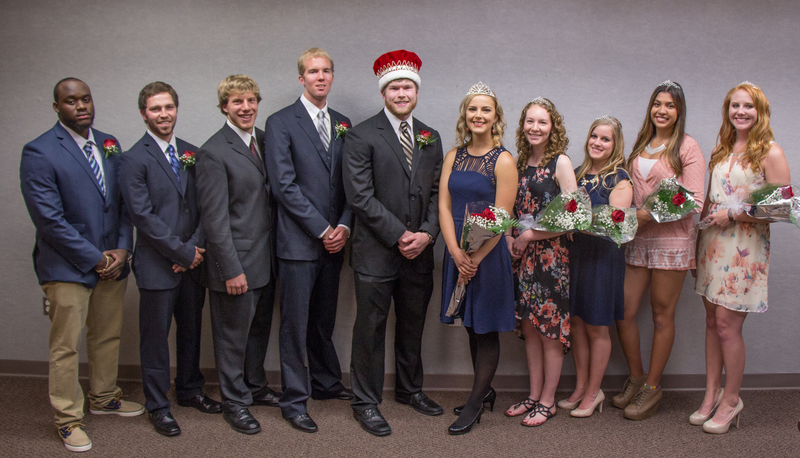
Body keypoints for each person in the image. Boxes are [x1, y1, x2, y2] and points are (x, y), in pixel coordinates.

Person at [20, 78, 144, 452]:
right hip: (67, 266)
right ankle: (67, 418)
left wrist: (123, 250)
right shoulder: (39, 151)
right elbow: (49, 220)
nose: (81, 106)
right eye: (71, 101)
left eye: (85, 99)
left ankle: (104, 397)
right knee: (66, 347)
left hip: (113, 263)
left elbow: (122, 205)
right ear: (57, 107)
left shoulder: (109, 144)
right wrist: (95, 258)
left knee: (106, 336)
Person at [343, 49, 444, 437]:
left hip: (420, 252)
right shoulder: (361, 134)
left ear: (416, 92)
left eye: (408, 87)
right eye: (395, 87)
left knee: (412, 324)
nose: (402, 93)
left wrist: (427, 234)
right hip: (377, 251)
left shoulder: (429, 136)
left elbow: (438, 193)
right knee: (369, 328)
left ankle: (409, 390)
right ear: (384, 92)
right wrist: (400, 234)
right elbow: (359, 196)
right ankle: (365, 401)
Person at [118, 81, 221, 437]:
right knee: (155, 338)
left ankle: (190, 389)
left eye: (169, 107)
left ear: (177, 109)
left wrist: (194, 250)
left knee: (192, 329)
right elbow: (142, 216)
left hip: (194, 262)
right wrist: (181, 252)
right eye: (155, 109)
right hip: (157, 265)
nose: (164, 114)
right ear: (144, 113)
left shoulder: (192, 152)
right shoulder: (132, 159)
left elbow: (207, 206)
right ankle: (158, 405)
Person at [263, 48, 353, 434]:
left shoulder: (343, 123)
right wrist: (322, 228)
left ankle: (326, 383)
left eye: (326, 71)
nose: (320, 77)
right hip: (299, 243)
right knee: (295, 326)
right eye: (313, 71)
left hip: (336, 241)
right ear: (301, 78)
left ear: (332, 77)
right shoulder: (280, 122)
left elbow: (352, 184)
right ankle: (294, 400)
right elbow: (283, 186)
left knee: (322, 321)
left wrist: (345, 227)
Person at [693, 82, 789, 434]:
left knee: (726, 325)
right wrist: (695, 246)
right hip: (712, 244)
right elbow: (708, 200)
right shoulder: (721, 148)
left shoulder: (770, 152)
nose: (741, 112)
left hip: (744, 249)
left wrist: (735, 215)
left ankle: (732, 399)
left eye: (748, 106)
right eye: (735, 106)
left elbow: (783, 209)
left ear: (760, 111)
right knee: (710, 322)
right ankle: (711, 394)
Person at [614, 80, 705, 420]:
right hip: (638, 240)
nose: (662, 110)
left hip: (672, 241)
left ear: (678, 111)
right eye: (657, 103)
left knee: (661, 314)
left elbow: (693, 200)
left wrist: (644, 214)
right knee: (623, 310)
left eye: (669, 105)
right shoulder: (641, 144)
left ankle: (652, 387)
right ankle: (636, 377)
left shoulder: (688, 147)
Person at [195, 75, 279, 435]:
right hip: (236, 265)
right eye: (237, 102)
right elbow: (214, 221)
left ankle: (255, 386)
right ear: (224, 107)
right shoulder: (213, 151)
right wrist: (230, 269)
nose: (246, 108)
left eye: (251, 100)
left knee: (258, 332)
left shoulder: (262, 140)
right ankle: (235, 402)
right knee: (231, 339)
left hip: (266, 260)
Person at [438, 82, 517, 435]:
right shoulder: (453, 155)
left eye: (486, 110)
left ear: (495, 116)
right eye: (473, 109)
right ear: (465, 115)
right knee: (469, 324)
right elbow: (443, 204)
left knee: (484, 328)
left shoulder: (503, 160)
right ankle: (484, 390)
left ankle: (474, 403)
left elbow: (502, 217)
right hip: (457, 250)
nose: (478, 115)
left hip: (487, 254)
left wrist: (476, 257)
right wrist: (455, 251)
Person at [504, 97, 576, 427]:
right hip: (523, 259)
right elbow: (510, 210)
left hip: (551, 258)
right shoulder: (519, 163)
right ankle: (533, 395)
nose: (535, 128)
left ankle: (548, 400)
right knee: (530, 329)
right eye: (530, 122)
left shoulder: (560, 162)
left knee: (550, 332)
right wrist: (509, 237)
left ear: (553, 127)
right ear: (523, 126)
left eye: (542, 122)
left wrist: (529, 237)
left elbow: (574, 215)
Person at [559, 116, 632, 418]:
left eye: (605, 139)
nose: (597, 143)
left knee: (597, 326)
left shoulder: (620, 179)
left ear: (615, 145)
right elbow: (564, 212)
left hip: (603, 258)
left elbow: (615, 223)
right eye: (594, 136)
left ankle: (594, 391)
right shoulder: (575, 173)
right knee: (576, 323)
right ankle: (580, 386)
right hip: (577, 255)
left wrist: (575, 222)